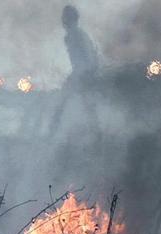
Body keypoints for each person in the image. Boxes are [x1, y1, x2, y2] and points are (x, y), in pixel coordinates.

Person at [49, 5, 101, 139]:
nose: (62, 21)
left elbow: (88, 58)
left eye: (65, 18)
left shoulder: (77, 35)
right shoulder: (73, 35)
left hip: (84, 76)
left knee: (69, 105)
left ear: (70, 19)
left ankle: (52, 134)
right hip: (82, 75)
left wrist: (80, 76)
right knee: (81, 106)